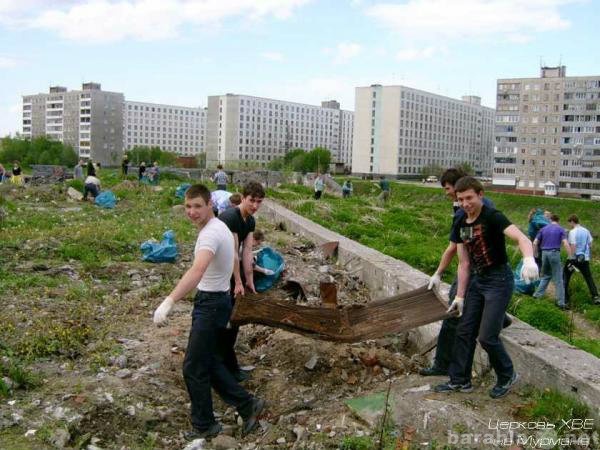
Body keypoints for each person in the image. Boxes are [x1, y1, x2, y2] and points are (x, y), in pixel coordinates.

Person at [152, 184, 265, 440]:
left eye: (197, 207)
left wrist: (169, 300)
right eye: (188, 207)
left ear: (210, 205)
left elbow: (198, 269)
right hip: (217, 301)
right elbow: (234, 257)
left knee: (193, 367)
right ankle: (248, 405)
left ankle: (204, 425)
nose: (192, 212)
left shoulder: (210, 235)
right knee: (210, 362)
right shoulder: (220, 227)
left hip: (211, 304)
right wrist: (235, 281)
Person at [434, 176, 538, 399]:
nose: (465, 203)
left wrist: (529, 259)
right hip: (477, 281)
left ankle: (507, 374)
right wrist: (460, 296)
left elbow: (521, 237)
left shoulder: (492, 216)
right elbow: (463, 263)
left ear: (480, 195)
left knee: (487, 337)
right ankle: (459, 381)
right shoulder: (461, 222)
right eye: (461, 199)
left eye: (469, 198)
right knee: (463, 330)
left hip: (498, 281)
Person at [422, 168, 510, 377]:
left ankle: (443, 365)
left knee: (453, 314)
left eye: (448, 188)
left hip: (476, 270)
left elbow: (456, 247)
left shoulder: (468, 211)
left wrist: (439, 273)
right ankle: (499, 317)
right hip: (478, 269)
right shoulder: (470, 206)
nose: (447, 193)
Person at [218, 181, 266, 381]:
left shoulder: (250, 221)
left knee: (234, 319)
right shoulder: (230, 217)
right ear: (243, 197)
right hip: (219, 273)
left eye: (259, 202)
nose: (255, 205)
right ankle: (224, 368)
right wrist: (238, 281)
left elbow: (246, 251)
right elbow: (231, 253)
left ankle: (230, 366)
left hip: (232, 271)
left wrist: (249, 279)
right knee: (226, 320)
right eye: (251, 200)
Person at [532, 214, 570, 309]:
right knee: (558, 279)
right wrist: (571, 255)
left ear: (550, 220)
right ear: (558, 221)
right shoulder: (561, 229)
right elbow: (565, 243)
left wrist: (535, 254)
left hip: (544, 254)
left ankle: (537, 295)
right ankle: (560, 303)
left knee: (545, 276)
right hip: (554, 253)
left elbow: (535, 242)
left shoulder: (543, 229)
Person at [563, 214, 599, 306]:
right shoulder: (586, 231)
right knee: (588, 277)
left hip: (574, 259)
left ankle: (565, 298)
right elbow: (590, 244)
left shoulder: (573, 232)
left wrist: (571, 258)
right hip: (584, 259)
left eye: (569, 223)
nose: (569, 225)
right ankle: (595, 296)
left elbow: (573, 245)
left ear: (572, 221)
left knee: (566, 277)